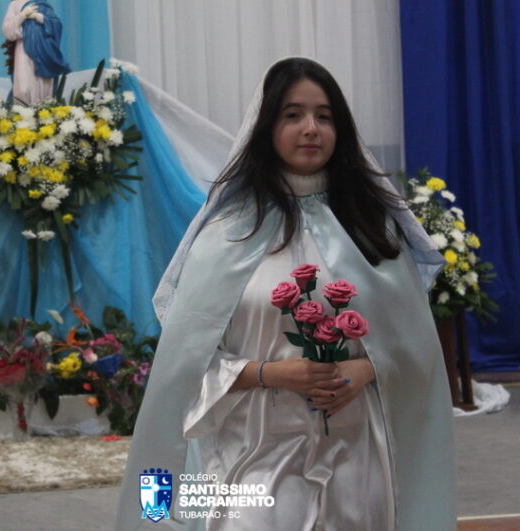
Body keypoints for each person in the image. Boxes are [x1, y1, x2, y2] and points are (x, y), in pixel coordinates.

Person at [116, 57, 455, 530]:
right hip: (253, 450)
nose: (310, 129)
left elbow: (416, 348)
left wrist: (366, 368)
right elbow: (186, 365)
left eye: (324, 116)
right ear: (267, 127)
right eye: (293, 115)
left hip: (356, 453)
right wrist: (270, 373)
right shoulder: (227, 236)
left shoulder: (373, 229)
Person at [1, 0, 71, 104]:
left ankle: (42, 113)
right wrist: (23, 14)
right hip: (23, 49)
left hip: (43, 49)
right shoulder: (15, 4)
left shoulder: (42, 4)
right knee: (24, 88)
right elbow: (7, 29)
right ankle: (22, 114)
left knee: (42, 84)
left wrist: (38, 16)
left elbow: (56, 25)